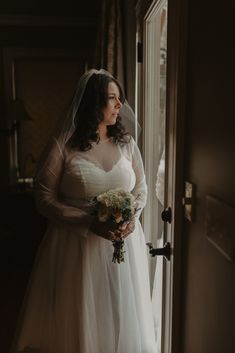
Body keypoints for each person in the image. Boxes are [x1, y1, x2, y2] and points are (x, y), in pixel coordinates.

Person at [11, 69, 157, 353]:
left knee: (120, 310)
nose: (119, 106)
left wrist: (132, 218)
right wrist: (87, 222)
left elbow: (142, 188)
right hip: (75, 248)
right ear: (93, 103)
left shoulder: (126, 144)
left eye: (119, 99)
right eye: (111, 99)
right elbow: (43, 197)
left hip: (123, 246)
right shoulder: (63, 145)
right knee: (81, 313)